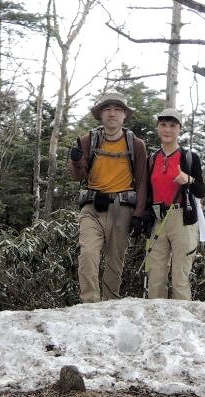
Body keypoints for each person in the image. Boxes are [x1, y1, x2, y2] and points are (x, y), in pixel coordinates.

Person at [68, 92, 148, 303]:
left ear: (124, 114)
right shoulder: (88, 140)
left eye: (117, 109)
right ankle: (90, 304)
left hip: (122, 209)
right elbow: (78, 176)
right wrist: (76, 161)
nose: (112, 114)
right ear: (101, 114)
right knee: (88, 254)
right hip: (92, 208)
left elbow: (142, 181)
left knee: (115, 263)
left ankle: (110, 305)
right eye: (107, 109)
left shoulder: (136, 145)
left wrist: (139, 214)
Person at [145, 108, 205, 300]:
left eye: (172, 125)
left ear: (179, 129)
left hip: (183, 219)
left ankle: (181, 317)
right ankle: (156, 316)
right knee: (155, 277)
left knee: (180, 278)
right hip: (158, 220)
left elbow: (201, 191)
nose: (167, 130)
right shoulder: (152, 159)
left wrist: (188, 179)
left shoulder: (189, 158)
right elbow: (147, 191)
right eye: (163, 125)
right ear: (157, 127)